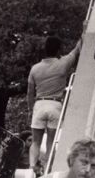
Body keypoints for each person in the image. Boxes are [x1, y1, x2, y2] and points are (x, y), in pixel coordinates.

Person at [27, 35, 83, 169]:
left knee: (35, 142)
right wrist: (84, 31)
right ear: (58, 50)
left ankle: (31, 168)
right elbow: (77, 49)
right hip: (55, 105)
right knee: (51, 143)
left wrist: (30, 110)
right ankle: (48, 169)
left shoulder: (34, 68)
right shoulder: (63, 63)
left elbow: (30, 93)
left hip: (39, 105)